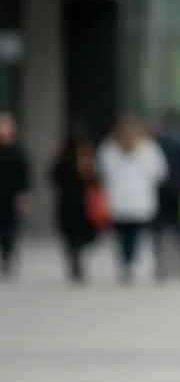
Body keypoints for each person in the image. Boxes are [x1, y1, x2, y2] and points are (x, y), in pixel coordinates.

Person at [96, 114, 168, 284]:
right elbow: (159, 173)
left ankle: (125, 262)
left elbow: (101, 172)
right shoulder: (148, 148)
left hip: (119, 200)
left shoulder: (108, 148)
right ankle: (129, 262)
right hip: (139, 199)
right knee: (134, 235)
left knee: (121, 235)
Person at [49, 124, 99, 284]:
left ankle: (75, 256)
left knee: (74, 237)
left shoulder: (69, 158)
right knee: (77, 236)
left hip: (73, 203)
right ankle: (76, 257)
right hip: (78, 202)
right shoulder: (70, 159)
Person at [152, 111, 180, 281]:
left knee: (163, 228)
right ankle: (177, 263)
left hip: (164, 191)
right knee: (176, 228)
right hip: (175, 190)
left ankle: (165, 263)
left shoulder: (155, 144)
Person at [0, 113, 30, 279]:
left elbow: (24, 176)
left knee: (10, 229)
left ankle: (8, 255)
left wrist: (24, 195)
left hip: (11, 196)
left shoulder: (17, 152)